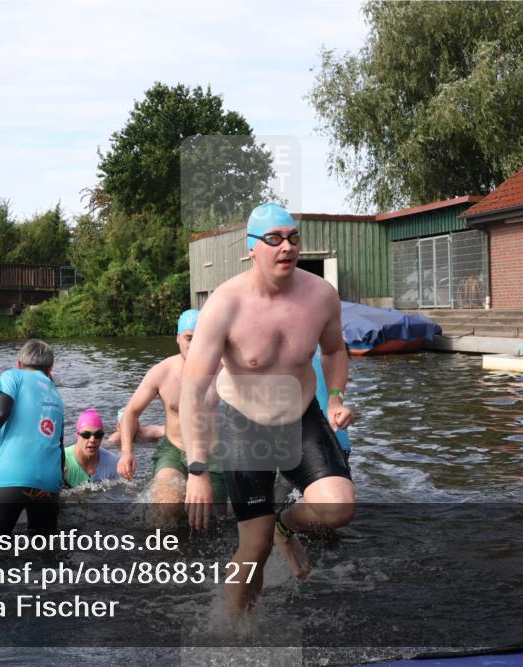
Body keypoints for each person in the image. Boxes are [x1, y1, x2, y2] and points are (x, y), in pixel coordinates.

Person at [180, 202, 355, 612]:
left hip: (301, 416)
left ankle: (284, 524)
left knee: (339, 507)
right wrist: (197, 469)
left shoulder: (321, 296)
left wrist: (335, 397)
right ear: (251, 249)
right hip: (247, 424)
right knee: (252, 549)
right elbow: (193, 388)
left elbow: (333, 350)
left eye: (293, 237)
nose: (286, 247)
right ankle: (232, 631)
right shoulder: (225, 305)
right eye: (273, 239)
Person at [118, 309, 228, 522]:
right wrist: (126, 452)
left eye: (199, 338)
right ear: (178, 338)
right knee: (166, 508)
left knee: (211, 520)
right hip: (174, 450)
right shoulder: (163, 372)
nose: (194, 344)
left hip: (212, 454)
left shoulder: (224, 371)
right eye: (188, 338)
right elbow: (131, 412)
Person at [0, 340, 64, 539]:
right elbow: (59, 443)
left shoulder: (12, 376)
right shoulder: (56, 393)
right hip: (49, 481)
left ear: (19, 363)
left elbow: (0, 411)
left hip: (11, 477)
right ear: (50, 368)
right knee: (45, 553)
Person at [63, 409, 120, 488]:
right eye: (86, 435)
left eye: (98, 434)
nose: (92, 440)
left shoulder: (114, 464)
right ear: (77, 435)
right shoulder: (61, 461)